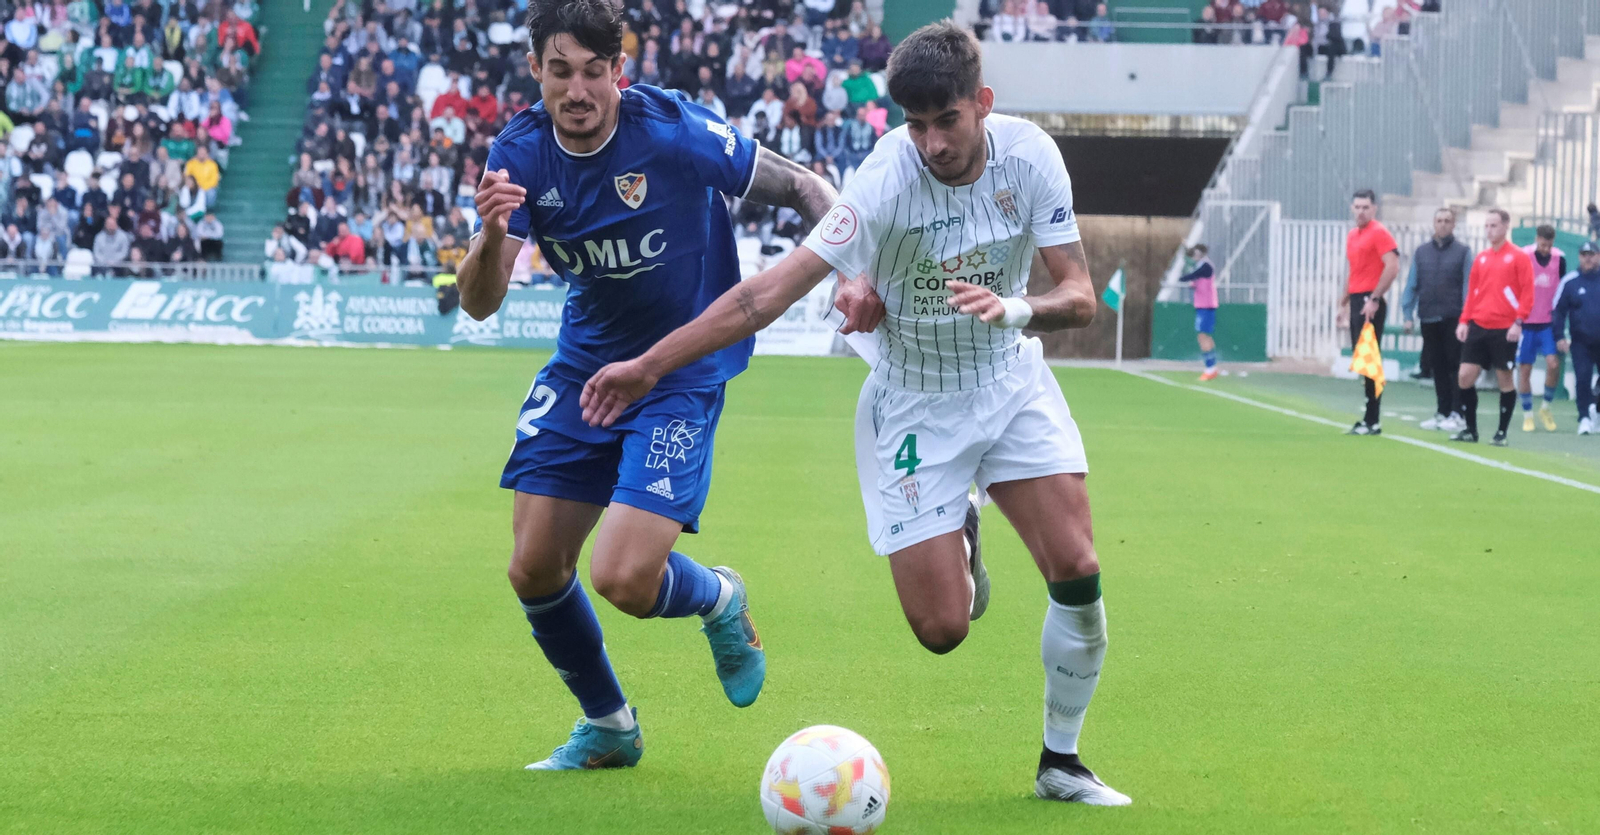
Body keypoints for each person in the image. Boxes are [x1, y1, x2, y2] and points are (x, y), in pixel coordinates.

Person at [581, 22, 1129, 807]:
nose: (932, 143)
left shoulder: (1032, 155)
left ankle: (1062, 762)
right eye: (915, 125)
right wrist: (648, 366)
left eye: (947, 120)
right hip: (913, 402)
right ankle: (962, 526)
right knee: (942, 628)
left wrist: (1013, 309)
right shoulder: (883, 180)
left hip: (1010, 382)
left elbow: (1078, 295)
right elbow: (762, 294)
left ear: (983, 103)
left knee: (1077, 569)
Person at [452, 0, 836, 773]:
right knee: (532, 566)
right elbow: (480, 301)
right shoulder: (519, 153)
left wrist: (846, 261)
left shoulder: (674, 130)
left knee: (624, 576)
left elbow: (802, 185)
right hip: (587, 365)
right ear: (536, 71)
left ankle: (720, 598)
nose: (579, 90)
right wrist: (492, 233)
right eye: (560, 72)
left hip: (680, 369)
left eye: (595, 72)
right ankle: (609, 725)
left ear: (619, 72)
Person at [1450, 209, 1533, 447]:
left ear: (1506, 226)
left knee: (1504, 379)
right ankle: (1470, 429)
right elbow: (1473, 292)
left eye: (1494, 225)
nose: (1489, 230)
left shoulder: (1518, 257)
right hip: (1478, 325)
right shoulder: (1482, 258)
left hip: (1504, 328)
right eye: (1486, 226)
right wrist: (1464, 320)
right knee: (1464, 376)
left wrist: (1519, 322)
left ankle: (1501, 433)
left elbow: (1528, 292)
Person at [1401, 208, 1472, 431]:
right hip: (1428, 316)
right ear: (1434, 223)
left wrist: (1466, 318)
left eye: (1447, 221)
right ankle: (1442, 412)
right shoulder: (1422, 252)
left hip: (1453, 316)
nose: (1442, 225)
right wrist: (1407, 314)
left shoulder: (1463, 252)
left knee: (1454, 366)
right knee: (1437, 367)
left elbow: (1468, 286)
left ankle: (1457, 412)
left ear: (1454, 225)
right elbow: (1412, 283)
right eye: (1439, 220)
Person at [1338, 190, 1399, 436]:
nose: (1361, 211)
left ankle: (1372, 419)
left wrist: (1374, 298)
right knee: (1363, 360)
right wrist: (1342, 303)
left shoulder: (1379, 233)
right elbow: (1353, 270)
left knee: (1369, 360)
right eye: (1357, 207)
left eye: (1365, 207)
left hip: (1369, 299)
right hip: (1356, 298)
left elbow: (1392, 266)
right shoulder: (1353, 235)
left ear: (1374, 209)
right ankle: (1369, 416)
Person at [1516, 225, 1566, 431]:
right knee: (1525, 370)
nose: (1546, 249)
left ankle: (1545, 407)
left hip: (1547, 322)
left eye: (1549, 245)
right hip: (1527, 323)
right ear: (1537, 239)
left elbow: (1562, 288)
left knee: (1553, 365)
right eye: (1543, 244)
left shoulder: (1559, 259)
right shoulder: (1524, 255)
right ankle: (1528, 414)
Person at [1552, 241, 1600, 434]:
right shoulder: (1570, 281)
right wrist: (1559, 336)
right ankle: (1584, 418)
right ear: (1579, 257)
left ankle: (1596, 410)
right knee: (1582, 378)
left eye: (1591, 254)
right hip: (1581, 342)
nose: (1587, 258)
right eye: (1584, 254)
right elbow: (1558, 311)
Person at [1178, 244, 1219, 380]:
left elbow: (1193, 275)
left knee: (1203, 336)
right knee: (1204, 336)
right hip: (1202, 306)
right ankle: (1212, 366)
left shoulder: (1206, 266)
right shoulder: (1199, 267)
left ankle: (1210, 368)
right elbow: (1194, 281)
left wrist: (1183, 277)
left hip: (1206, 306)